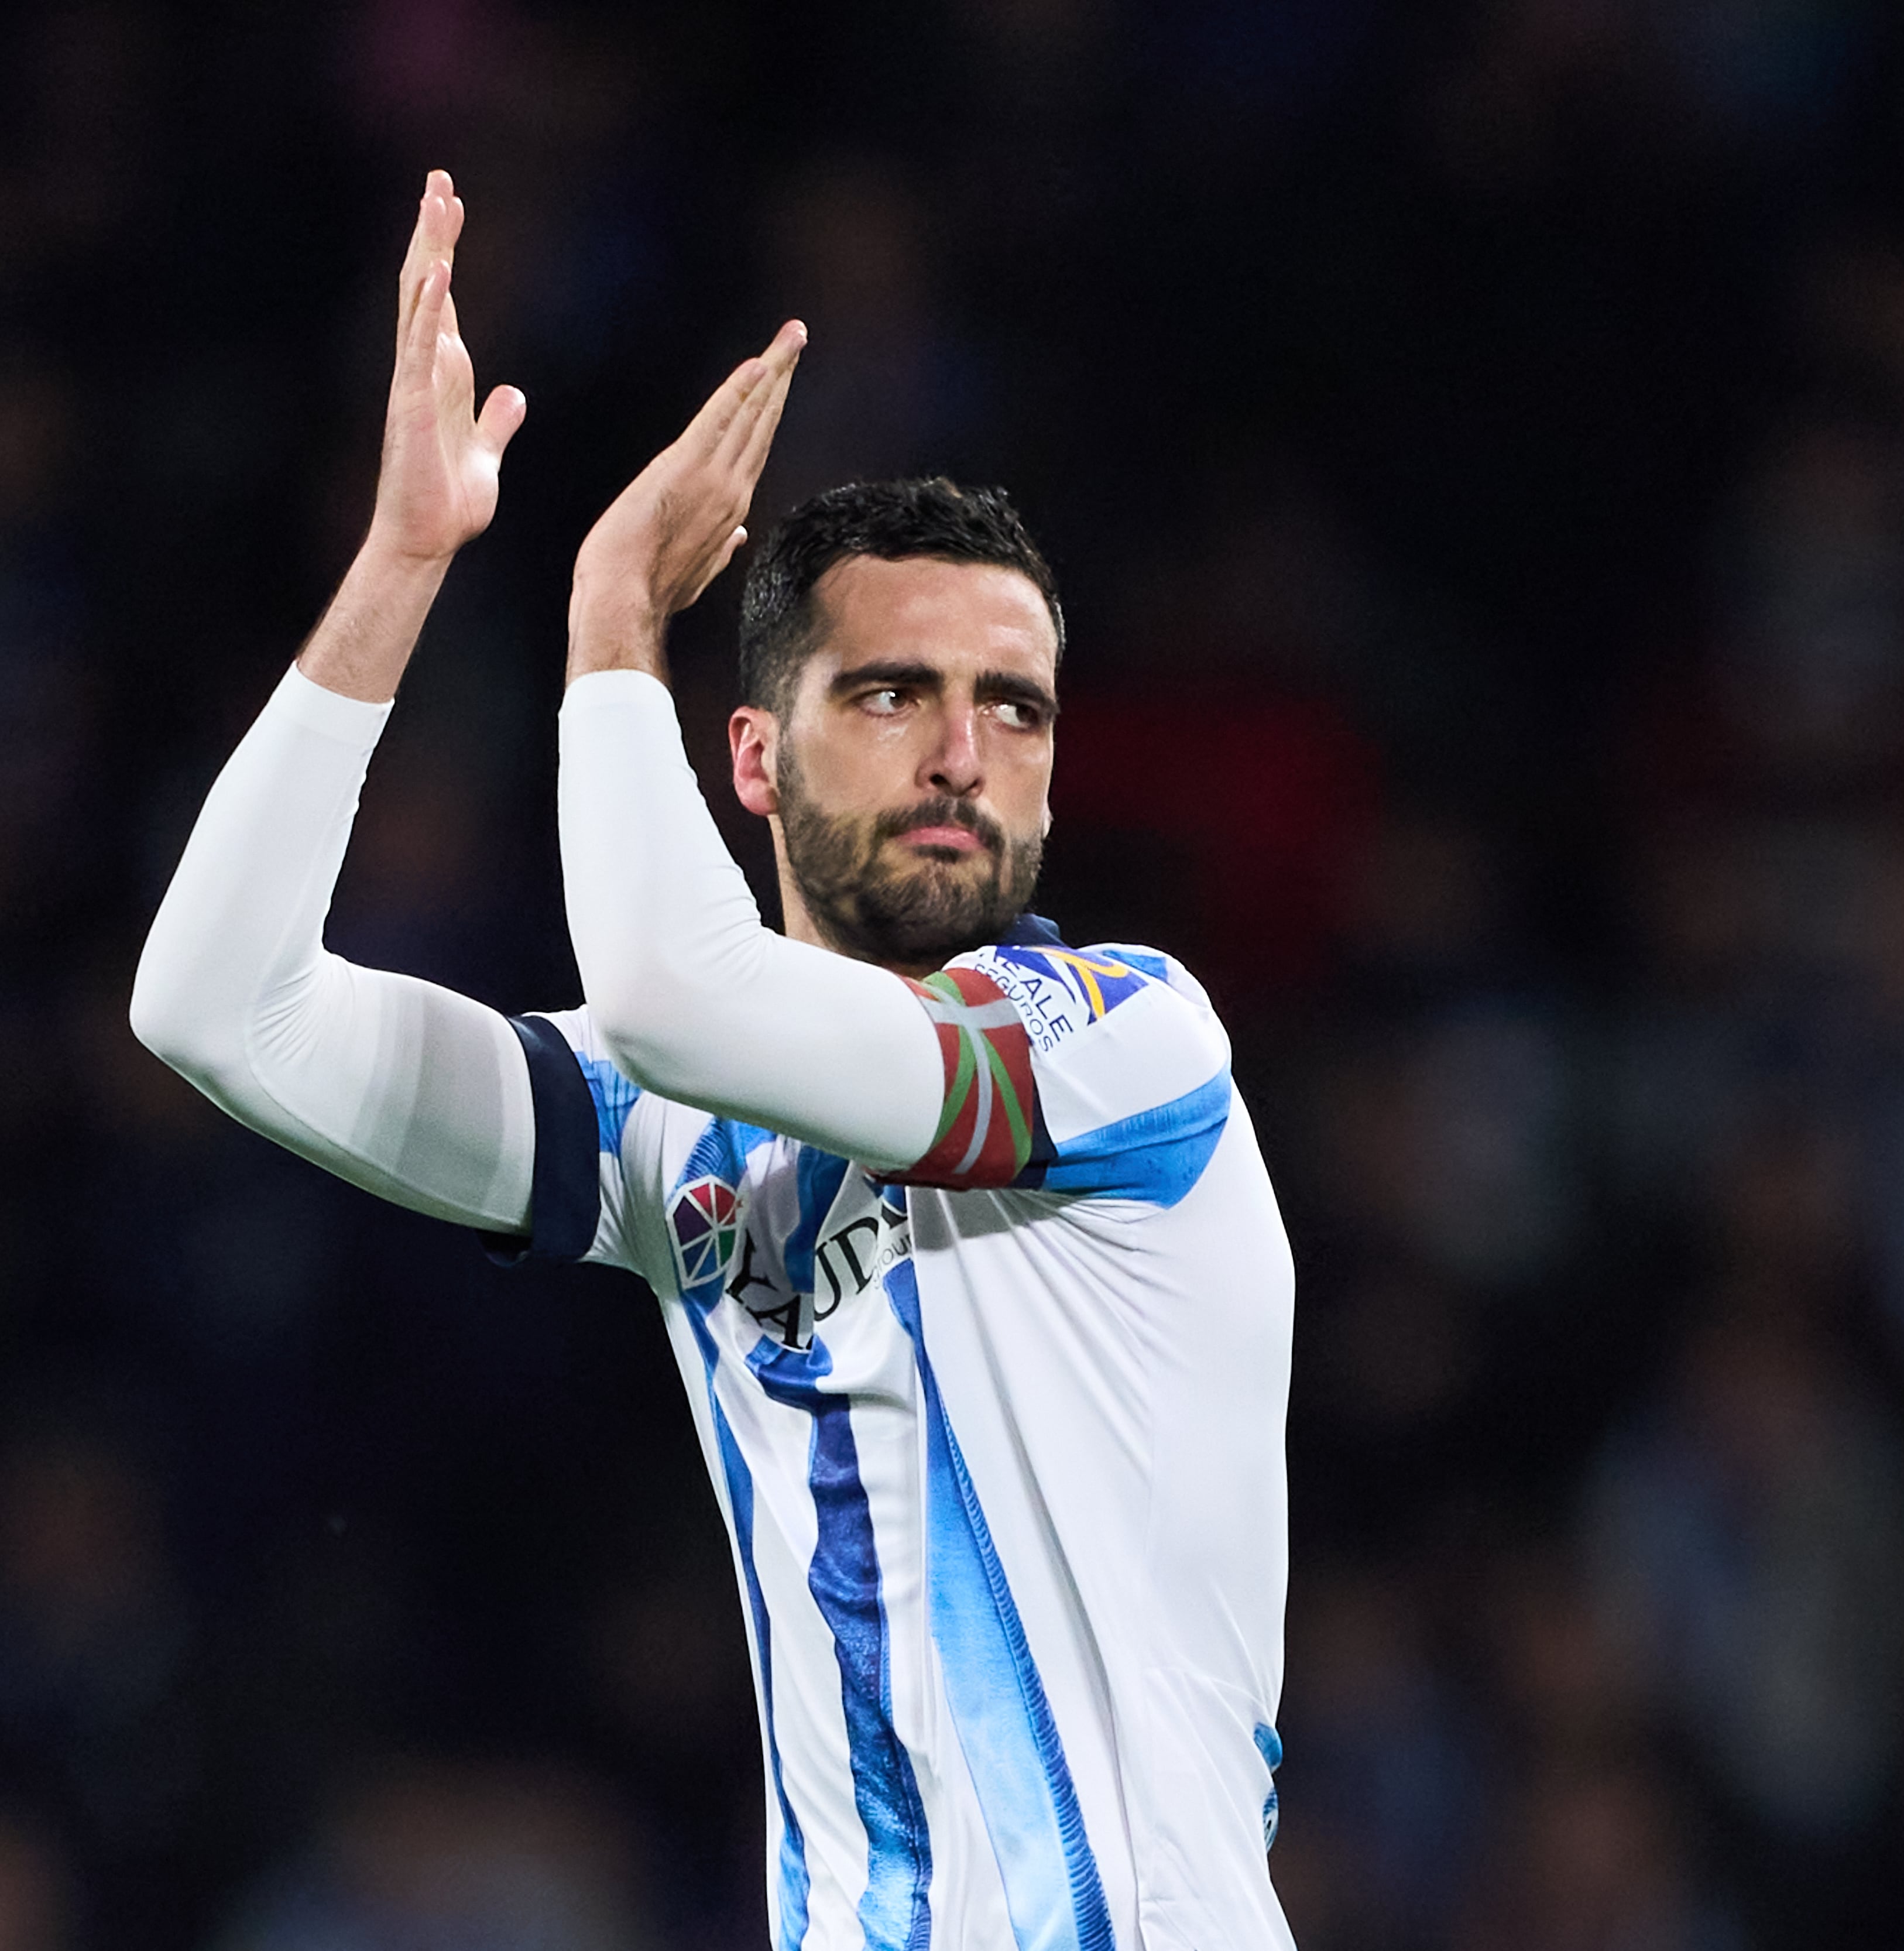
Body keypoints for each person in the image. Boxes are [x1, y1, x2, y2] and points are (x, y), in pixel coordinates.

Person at [131, 171, 1296, 1951]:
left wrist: (608, 611)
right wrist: (407, 566)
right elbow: (219, 1009)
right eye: (897, 692)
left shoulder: (1124, 1048)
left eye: (1019, 708)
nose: (968, 753)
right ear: (750, 759)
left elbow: (681, 991)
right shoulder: (668, 1131)